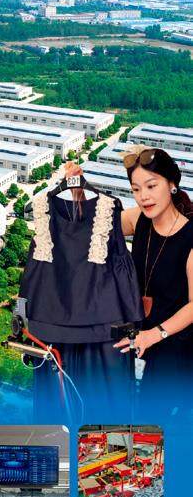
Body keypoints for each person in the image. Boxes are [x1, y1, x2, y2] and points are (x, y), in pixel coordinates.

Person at [67, 145, 193, 408]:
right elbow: (95, 228)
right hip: (136, 336)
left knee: (157, 417)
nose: (143, 196)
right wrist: (78, 190)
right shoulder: (139, 219)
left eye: (151, 186)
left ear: (171, 184)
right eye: (136, 189)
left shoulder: (190, 237)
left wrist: (155, 335)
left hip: (173, 344)